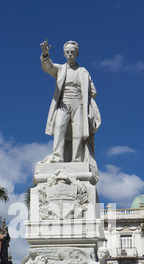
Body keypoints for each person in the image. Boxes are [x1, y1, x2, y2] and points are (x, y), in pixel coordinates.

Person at [40, 39, 101, 182]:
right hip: (63, 103)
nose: (70, 54)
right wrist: (45, 55)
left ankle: (77, 159)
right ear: (64, 54)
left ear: (77, 53)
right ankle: (57, 157)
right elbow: (48, 68)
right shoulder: (61, 69)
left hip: (79, 104)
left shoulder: (83, 71)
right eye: (67, 52)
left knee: (78, 133)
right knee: (59, 129)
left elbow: (93, 92)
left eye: (72, 52)